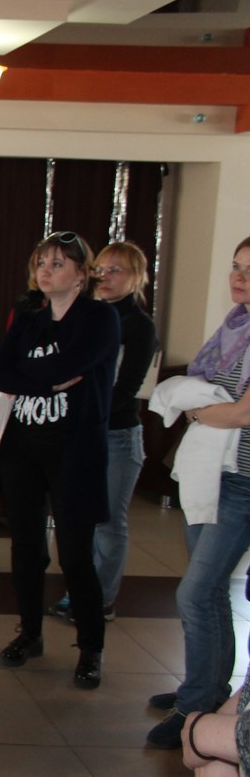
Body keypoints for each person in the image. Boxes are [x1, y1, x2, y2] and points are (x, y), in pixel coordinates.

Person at [0, 231, 119, 689]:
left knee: (76, 555)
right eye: (42, 262)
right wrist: (46, 380)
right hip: (21, 447)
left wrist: (29, 375)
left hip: (73, 450)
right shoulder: (29, 318)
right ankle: (30, 632)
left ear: (82, 274)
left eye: (59, 263)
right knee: (25, 547)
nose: (46, 270)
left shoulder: (99, 318)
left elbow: (70, 364)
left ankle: (91, 648)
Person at [146, 236, 250, 749]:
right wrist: (199, 406)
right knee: (206, 591)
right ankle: (205, 687)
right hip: (214, 472)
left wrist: (199, 409)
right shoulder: (235, 328)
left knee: (196, 592)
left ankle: (195, 708)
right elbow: (205, 392)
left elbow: (242, 412)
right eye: (236, 266)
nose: (239, 277)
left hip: (245, 483)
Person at [47, 242, 159, 622]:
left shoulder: (139, 326)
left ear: (136, 278)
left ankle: (102, 599)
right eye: (101, 270)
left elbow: (125, 388)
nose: (106, 277)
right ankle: (78, 592)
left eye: (117, 271)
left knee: (108, 522)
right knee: (78, 521)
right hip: (77, 431)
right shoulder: (85, 315)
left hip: (116, 435)